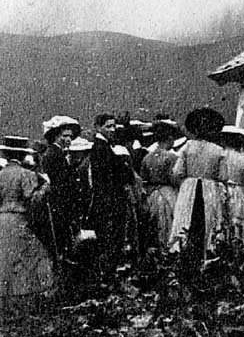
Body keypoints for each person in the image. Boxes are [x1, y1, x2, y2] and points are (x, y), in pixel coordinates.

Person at [168, 107, 229, 266]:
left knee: (186, 219)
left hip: (189, 188)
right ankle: (205, 254)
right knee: (207, 221)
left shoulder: (187, 147)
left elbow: (178, 172)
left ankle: (182, 254)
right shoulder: (218, 151)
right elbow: (223, 176)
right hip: (209, 189)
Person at [0, 136, 53, 312]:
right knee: (27, 258)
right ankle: (22, 300)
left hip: (2, 218)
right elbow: (33, 199)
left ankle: (5, 301)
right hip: (18, 218)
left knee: (4, 260)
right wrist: (45, 187)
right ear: (22, 155)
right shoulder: (26, 175)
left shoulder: (1, 174)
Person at [89, 113, 134, 275]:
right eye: (108, 126)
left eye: (114, 126)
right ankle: (108, 274)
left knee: (112, 239)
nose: (112, 129)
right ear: (98, 128)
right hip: (109, 200)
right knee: (111, 239)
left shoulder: (105, 147)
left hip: (109, 199)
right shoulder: (101, 148)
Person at [40, 115, 82, 263]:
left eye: (70, 136)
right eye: (64, 136)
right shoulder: (53, 154)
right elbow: (59, 182)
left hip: (62, 203)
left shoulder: (60, 154)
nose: (68, 139)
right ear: (56, 136)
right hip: (59, 203)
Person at [140, 119, 179, 251]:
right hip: (168, 192)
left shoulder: (148, 156)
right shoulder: (172, 157)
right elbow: (174, 178)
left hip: (152, 193)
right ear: (169, 138)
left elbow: (143, 177)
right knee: (168, 223)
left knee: (154, 224)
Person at [220, 126, 244, 249]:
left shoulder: (220, 155)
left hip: (221, 190)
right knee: (239, 219)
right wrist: (242, 189)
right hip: (237, 192)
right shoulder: (243, 159)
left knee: (222, 218)